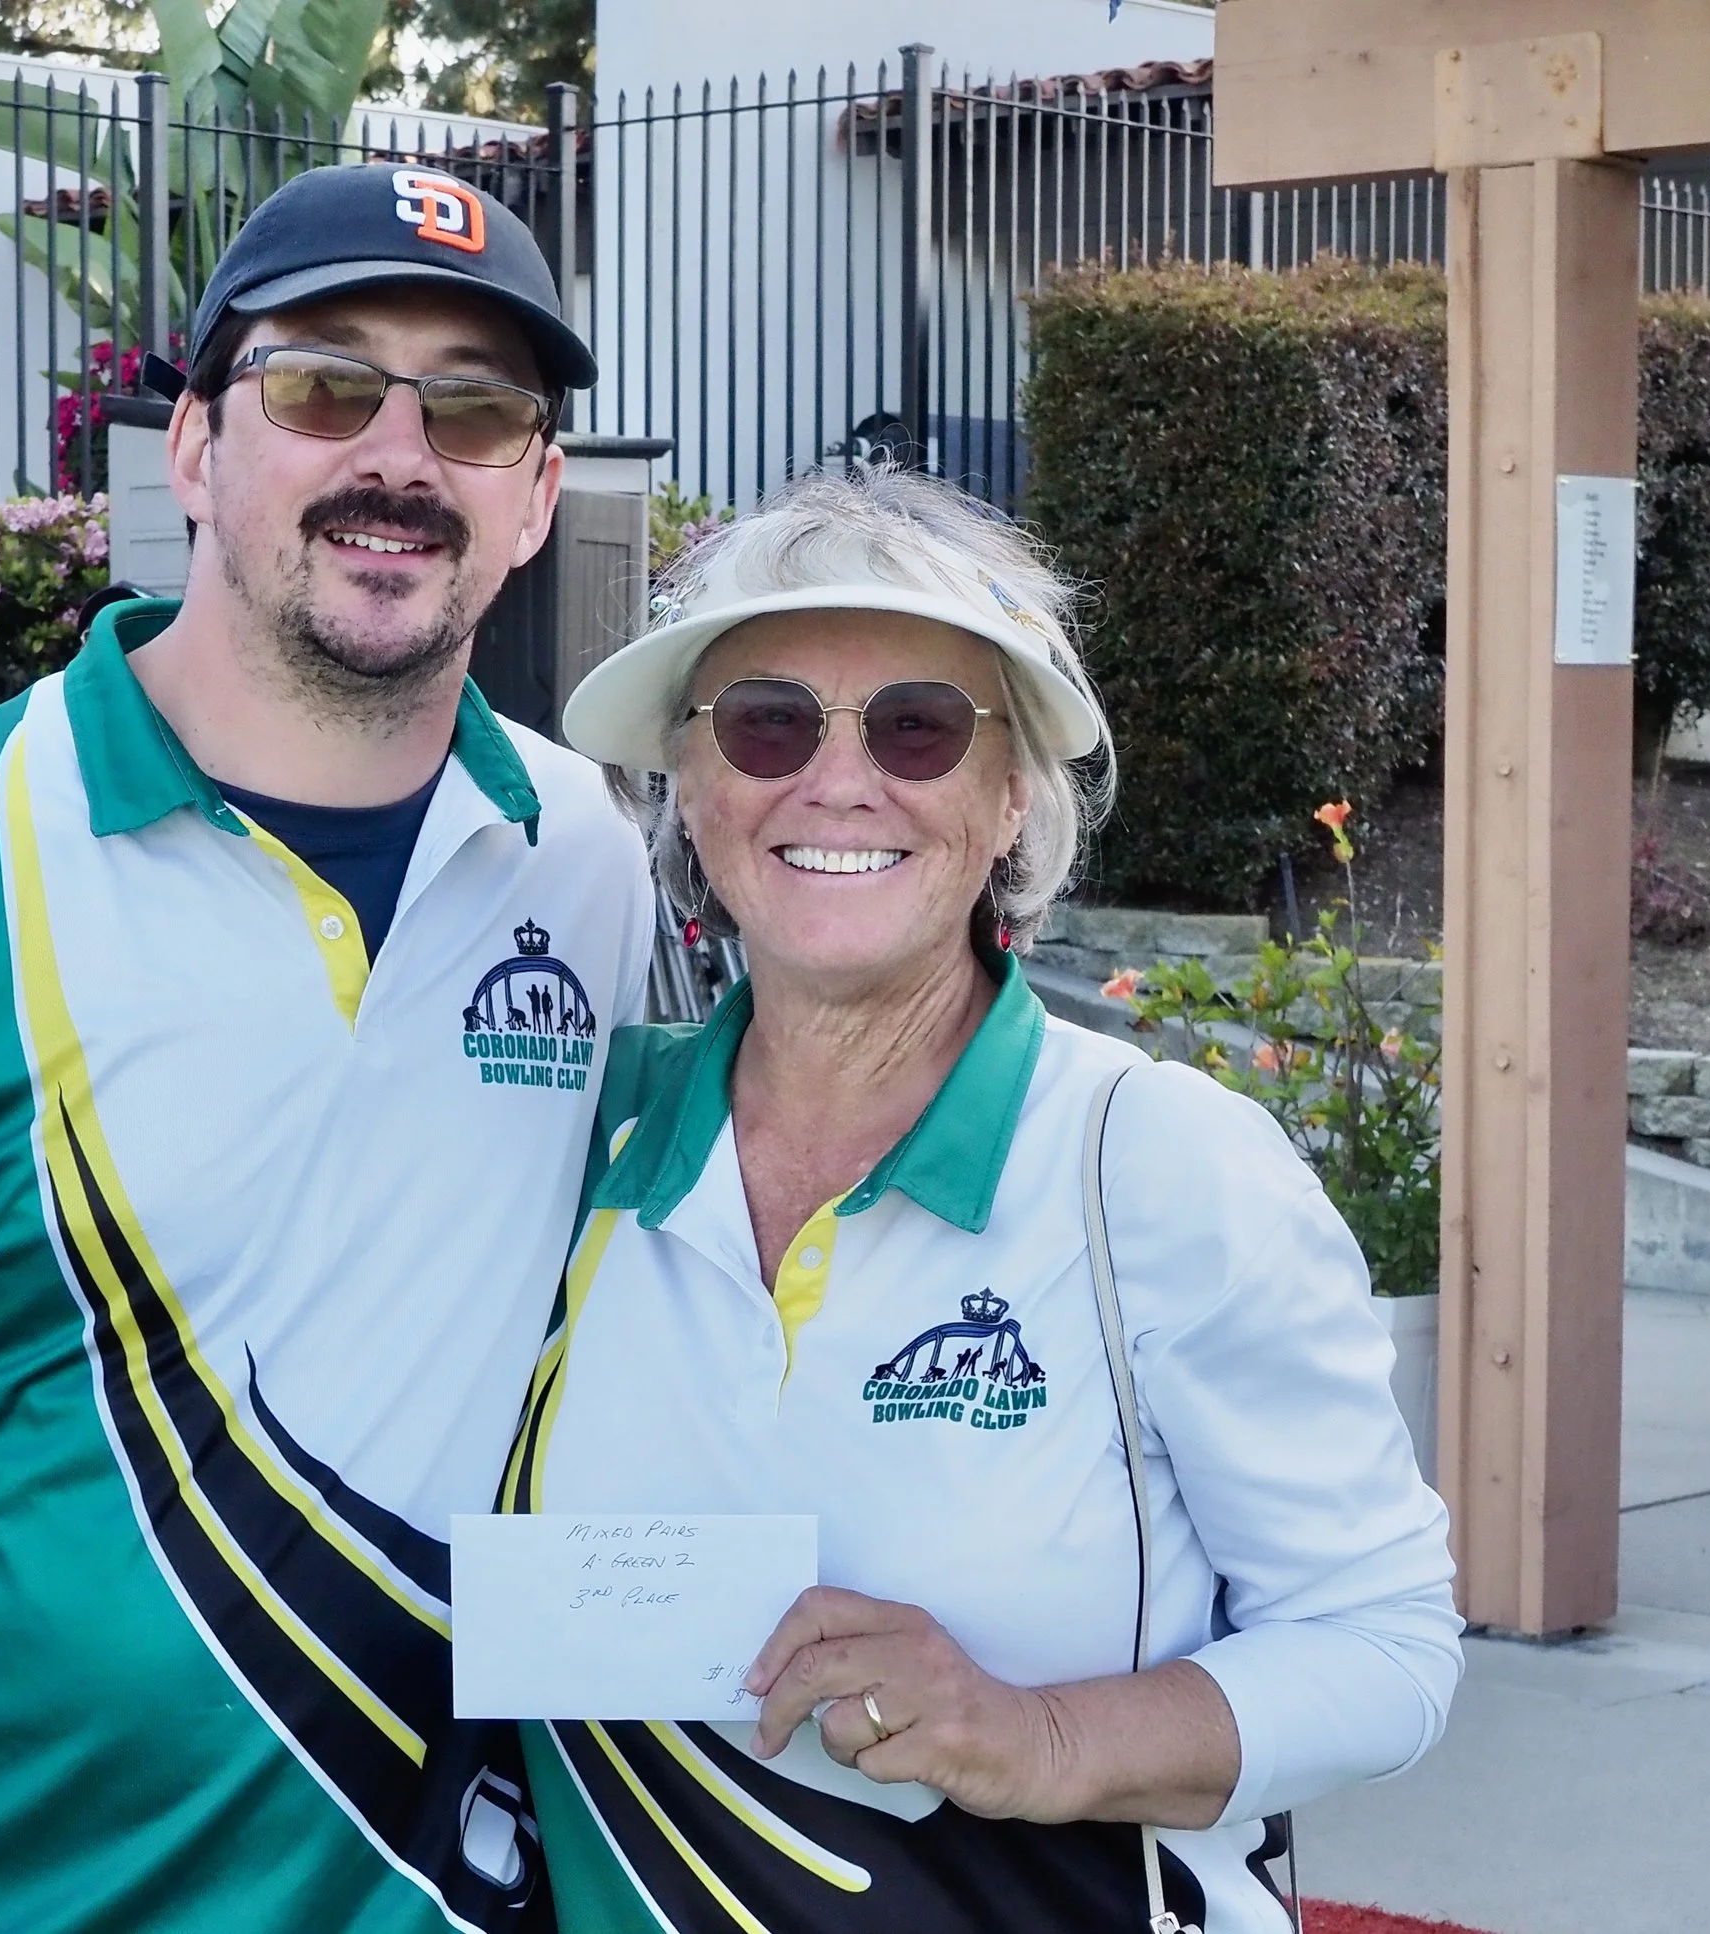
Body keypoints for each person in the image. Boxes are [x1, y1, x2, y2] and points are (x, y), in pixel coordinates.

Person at [0, 163, 652, 1933]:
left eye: (473, 408)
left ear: (536, 494)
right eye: (324, 384)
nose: (399, 455)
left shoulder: (588, 855)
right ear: (196, 451)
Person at [496, 467, 1464, 1932]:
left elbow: (1387, 1648)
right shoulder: (568, 1139)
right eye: (766, 721)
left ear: (1011, 795)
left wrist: (1038, 1735)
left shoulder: (1152, 1163)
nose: (838, 779)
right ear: (689, 788)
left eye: (918, 725)